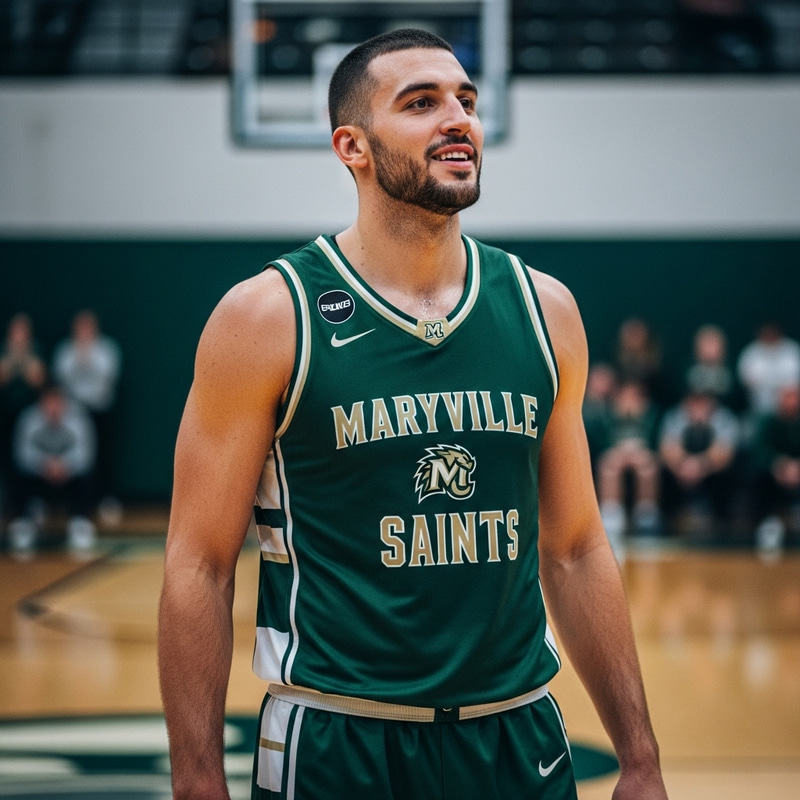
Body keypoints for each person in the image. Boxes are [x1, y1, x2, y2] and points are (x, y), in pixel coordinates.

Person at [158, 29, 667, 800]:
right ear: (352, 147)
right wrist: (196, 779)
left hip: (516, 732)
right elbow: (198, 564)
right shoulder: (267, 318)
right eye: (421, 103)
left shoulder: (544, 311)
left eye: (465, 100)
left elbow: (574, 548)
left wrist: (641, 757)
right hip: (338, 737)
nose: (457, 118)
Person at [6, 384, 97, 552]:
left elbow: (86, 455)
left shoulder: (78, 419)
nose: (53, 408)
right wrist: (45, 465)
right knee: (18, 475)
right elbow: (22, 454)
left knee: (86, 476)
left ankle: (80, 523)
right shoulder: (28, 419)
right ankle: (24, 523)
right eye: (49, 403)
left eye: (57, 403)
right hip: (39, 476)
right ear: (41, 403)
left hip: (68, 477)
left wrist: (64, 465)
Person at [52, 310, 122, 521]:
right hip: (73, 414)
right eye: (80, 326)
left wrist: (87, 357)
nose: (84, 331)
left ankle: (105, 499)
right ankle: (75, 505)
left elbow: (107, 378)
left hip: (100, 411)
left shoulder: (107, 349)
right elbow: (61, 380)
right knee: (74, 458)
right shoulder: (65, 351)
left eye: (88, 326)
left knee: (103, 457)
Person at [658, 387, 740, 536]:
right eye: (694, 401)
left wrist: (700, 465)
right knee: (661, 471)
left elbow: (725, 452)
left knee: (730, 474)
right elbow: (668, 448)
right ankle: (666, 522)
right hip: (681, 470)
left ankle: (721, 523)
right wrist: (683, 464)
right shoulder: (675, 416)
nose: (698, 406)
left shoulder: (724, 418)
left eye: (703, 401)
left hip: (711, 470)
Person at [596, 379, 663, 546]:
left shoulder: (651, 413)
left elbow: (655, 442)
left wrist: (637, 416)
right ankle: (612, 516)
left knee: (647, 467)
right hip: (617, 453)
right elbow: (603, 442)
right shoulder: (608, 414)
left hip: (641, 453)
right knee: (608, 467)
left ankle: (646, 515)